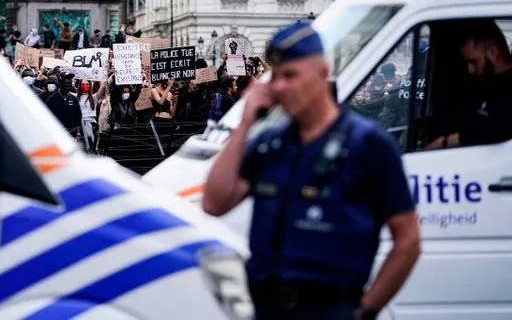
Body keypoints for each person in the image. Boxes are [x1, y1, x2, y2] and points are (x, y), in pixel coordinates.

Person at [202, 21, 420, 320]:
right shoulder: (271, 143)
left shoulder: (368, 144)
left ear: (322, 73)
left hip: (329, 308)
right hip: (267, 308)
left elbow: (408, 240)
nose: (279, 86)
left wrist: (364, 311)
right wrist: (245, 121)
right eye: (275, 77)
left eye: (290, 75)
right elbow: (215, 201)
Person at [426, 19, 512, 149]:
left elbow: (497, 129)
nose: (470, 70)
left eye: (474, 61)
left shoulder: (507, 90)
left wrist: (448, 142)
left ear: (493, 53)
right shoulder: (481, 84)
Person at [45, 72, 82, 136]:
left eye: (70, 83)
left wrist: (78, 133)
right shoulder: (52, 99)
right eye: (67, 83)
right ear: (60, 83)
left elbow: (78, 117)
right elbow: (47, 118)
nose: (69, 85)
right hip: (56, 134)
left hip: (71, 134)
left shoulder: (74, 99)